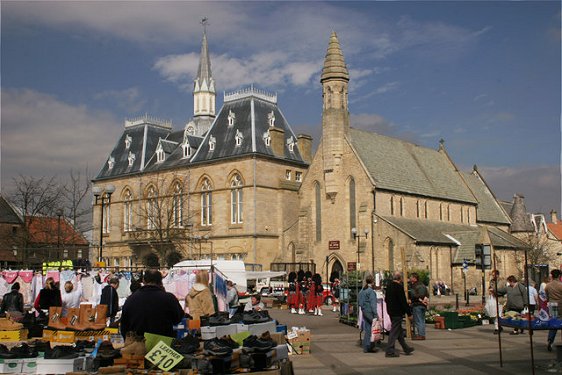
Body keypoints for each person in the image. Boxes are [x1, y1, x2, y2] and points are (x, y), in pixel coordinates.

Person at [120, 269, 184, 338]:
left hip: (139, 343)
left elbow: (124, 325)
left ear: (144, 281)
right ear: (160, 281)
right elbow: (178, 318)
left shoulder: (131, 299)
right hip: (162, 344)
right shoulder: (169, 298)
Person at [385, 272, 414, 358]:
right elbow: (403, 302)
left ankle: (406, 348)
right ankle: (390, 351)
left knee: (399, 331)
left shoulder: (389, 286)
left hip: (390, 311)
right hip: (397, 312)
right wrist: (409, 313)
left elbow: (386, 299)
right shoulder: (399, 287)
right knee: (394, 331)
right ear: (400, 279)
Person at [358, 275, 378, 353]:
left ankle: (367, 346)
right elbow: (373, 305)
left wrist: (363, 308)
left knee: (368, 329)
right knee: (372, 330)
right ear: (373, 282)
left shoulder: (362, 290)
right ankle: (369, 346)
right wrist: (376, 315)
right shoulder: (371, 292)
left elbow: (360, 302)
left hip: (364, 311)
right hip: (370, 312)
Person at [545, 269, 562, 351]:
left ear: (552, 275)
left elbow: (546, 297)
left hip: (552, 305)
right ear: (559, 276)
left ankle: (550, 341)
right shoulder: (561, 285)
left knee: (553, 324)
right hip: (561, 305)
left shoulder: (547, 285)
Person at [409, 273, 429, 340]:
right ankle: (422, 334)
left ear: (415, 278)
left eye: (411, 277)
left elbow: (414, 295)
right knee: (422, 320)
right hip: (423, 304)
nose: (410, 278)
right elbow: (427, 294)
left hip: (417, 304)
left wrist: (411, 297)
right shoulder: (422, 285)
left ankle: (421, 335)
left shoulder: (415, 286)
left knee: (418, 320)